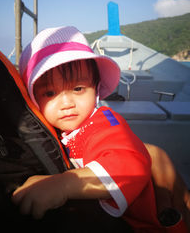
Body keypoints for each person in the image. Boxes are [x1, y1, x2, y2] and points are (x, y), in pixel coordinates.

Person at [12, 26, 189, 232]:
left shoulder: (104, 122)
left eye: (78, 89)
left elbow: (130, 165)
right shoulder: (62, 129)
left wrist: (64, 184)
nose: (67, 102)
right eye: (50, 93)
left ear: (96, 89)